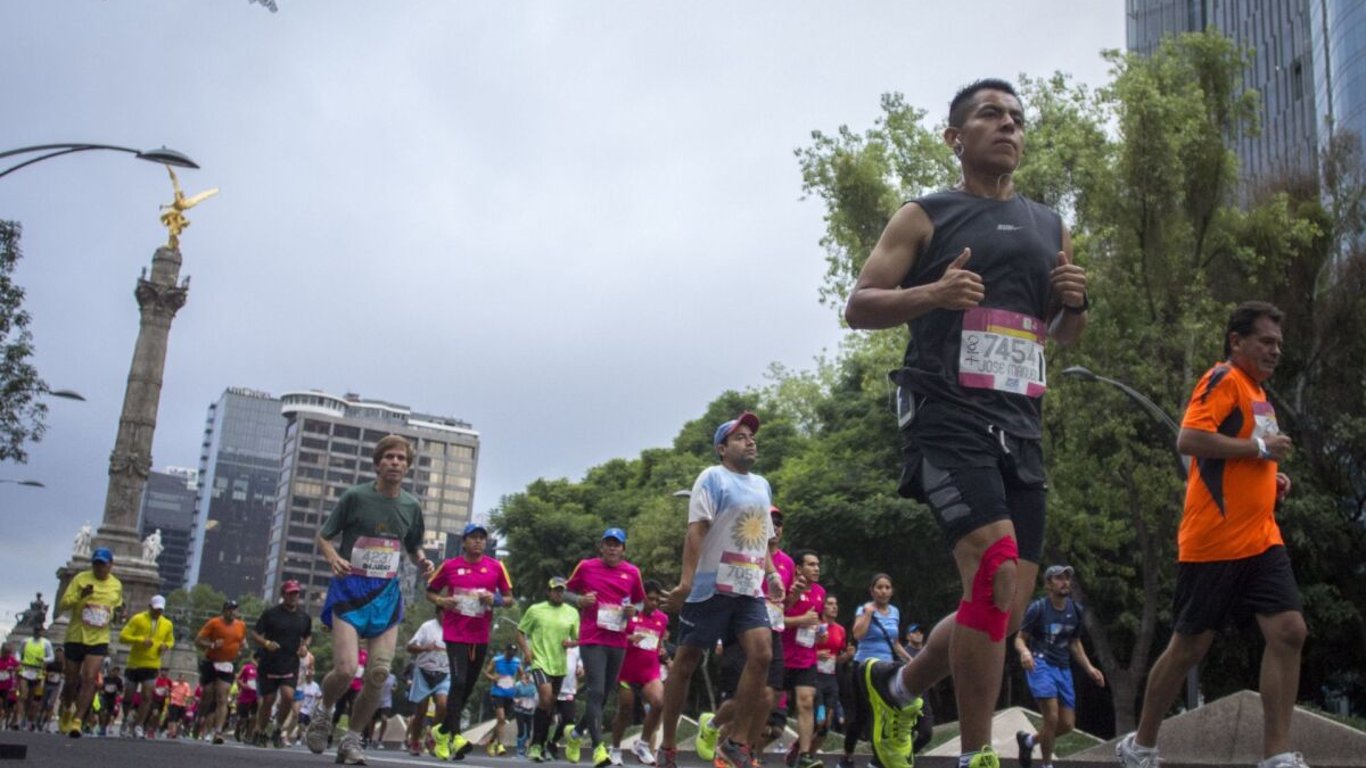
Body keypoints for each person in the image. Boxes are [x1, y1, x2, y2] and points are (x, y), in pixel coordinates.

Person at [844, 77, 1089, 768]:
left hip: (1021, 426)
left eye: (1016, 117)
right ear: (956, 138)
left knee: (1003, 611)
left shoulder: (1050, 225)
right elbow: (860, 304)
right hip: (946, 414)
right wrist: (936, 293)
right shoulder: (925, 215)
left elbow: (1062, 335)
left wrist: (1076, 303)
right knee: (995, 573)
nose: (1008, 125)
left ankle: (895, 685)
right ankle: (977, 754)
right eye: (990, 115)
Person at [1118, 302, 1308, 768]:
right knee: (1189, 647)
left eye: (1279, 344)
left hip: (1262, 538)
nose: (1275, 351)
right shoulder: (1222, 379)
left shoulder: (1258, 393)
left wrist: (1270, 477)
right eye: (1265, 341)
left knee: (1289, 631)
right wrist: (1259, 448)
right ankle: (1140, 746)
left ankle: (1277, 755)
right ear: (1236, 341)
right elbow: (1189, 439)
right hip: (1215, 541)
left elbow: (1243, 458)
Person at [659, 412, 785, 768]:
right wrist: (686, 583)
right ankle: (667, 745)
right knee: (685, 662)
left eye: (752, 436)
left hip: (747, 588)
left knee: (761, 655)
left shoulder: (762, 484)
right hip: (710, 587)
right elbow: (695, 531)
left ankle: (737, 742)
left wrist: (772, 574)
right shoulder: (712, 478)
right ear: (722, 448)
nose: (750, 441)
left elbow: (762, 537)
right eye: (740, 437)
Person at [304, 434, 435, 766]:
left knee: (378, 673)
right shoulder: (355, 497)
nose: (395, 462)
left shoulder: (410, 505)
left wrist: (422, 560)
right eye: (388, 457)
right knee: (347, 670)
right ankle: (324, 710)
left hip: (386, 596)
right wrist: (333, 557)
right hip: (350, 591)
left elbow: (413, 544)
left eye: (401, 458)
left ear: (407, 466)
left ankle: (352, 739)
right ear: (378, 464)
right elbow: (324, 536)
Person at [424, 520, 513, 760]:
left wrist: (492, 599)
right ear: (463, 542)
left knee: (467, 688)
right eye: (473, 537)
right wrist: (442, 602)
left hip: (480, 635)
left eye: (482, 538)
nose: (477, 541)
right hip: (455, 634)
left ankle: (441, 732)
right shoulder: (450, 565)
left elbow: (509, 599)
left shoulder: (496, 567)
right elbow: (430, 591)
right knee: (459, 681)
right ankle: (456, 735)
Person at [564, 527, 648, 768]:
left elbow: (640, 602)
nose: (612, 548)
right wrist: (579, 600)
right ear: (601, 547)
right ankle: (599, 748)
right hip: (592, 638)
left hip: (618, 640)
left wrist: (635, 610)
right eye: (608, 543)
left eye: (617, 544)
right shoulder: (586, 566)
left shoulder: (632, 572)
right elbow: (566, 591)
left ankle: (575, 734)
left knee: (602, 694)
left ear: (623, 549)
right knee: (596, 692)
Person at [1014, 565, 1104, 768]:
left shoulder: (1076, 611)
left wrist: (1089, 668)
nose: (1065, 582)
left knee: (1067, 725)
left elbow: (1074, 642)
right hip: (1040, 665)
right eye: (1058, 578)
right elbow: (1020, 639)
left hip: (1063, 668)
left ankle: (1029, 741)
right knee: (1052, 718)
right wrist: (1025, 652)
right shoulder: (1038, 609)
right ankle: (1047, 765)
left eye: (1067, 578)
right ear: (1048, 584)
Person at [840, 574, 910, 768]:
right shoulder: (864, 609)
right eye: (879, 587)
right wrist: (868, 614)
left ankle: (880, 758)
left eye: (887, 587)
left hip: (887, 668)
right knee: (862, 714)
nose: (884, 591)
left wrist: (911, 660)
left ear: (892, 591)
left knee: (886, 713)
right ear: (872, 591)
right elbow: (857, 635)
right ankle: (847, 755)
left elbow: (895, 642)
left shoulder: (895, 611)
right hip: (864, 667)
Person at [58, 546, 124, 737]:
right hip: (76, 635)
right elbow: (63, 604)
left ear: (110, 565)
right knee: (71, 681)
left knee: (89, 679)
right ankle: (67, 708)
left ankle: (78, 720)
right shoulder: (80, 579)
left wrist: (118, 613)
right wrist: (81, 595)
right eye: (96, 564)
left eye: (102, 564)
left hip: (99, 638)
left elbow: (117, 607)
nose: (98, 568)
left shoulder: (116, 585)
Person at [519, 576, 581, 764]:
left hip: (559, 665)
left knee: (549, 706)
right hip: (540, 662)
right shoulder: (535, 610)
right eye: (555, 590)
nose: (559, 593)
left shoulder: (572, 613)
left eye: (562, 590)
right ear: (548, 591)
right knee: (545, 698)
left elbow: (578, 638)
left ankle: (541, 743)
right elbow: (521, 631)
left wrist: (571, 643)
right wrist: (527, 650)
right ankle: (536, 744)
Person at [611, 579, 670, 766]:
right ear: (642, 599)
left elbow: (657, 642)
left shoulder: (663, 619)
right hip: (626, 672)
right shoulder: (628, 615)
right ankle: (615, 748)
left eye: (657, 601)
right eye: (650, 599)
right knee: (625, 710)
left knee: (659, 703)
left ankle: (643, 744)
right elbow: (613, 638)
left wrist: (661, 651)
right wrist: (630, 638)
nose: (654, 603)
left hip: (649, 672)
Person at [252, 579, 313, 747]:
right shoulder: (271, 613)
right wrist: (266, 643)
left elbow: (308, 635)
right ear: (283, 595)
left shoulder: (303, 617)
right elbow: (255, 634)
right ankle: (261, 731)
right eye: (290, 593)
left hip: (290, 663)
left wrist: (304, 646)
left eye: (296, 593)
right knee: (269, 700)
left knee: (288, 696)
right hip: (270, 663)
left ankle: (278, 730)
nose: (293, 596)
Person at [781, 550, 827, 768]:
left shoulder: (820, 592)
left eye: (817, 564)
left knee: (806, 701)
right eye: (811, 564)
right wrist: (801, 619)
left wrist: (818, 632)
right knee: (769, 705)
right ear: (798, 569)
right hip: (782, 656)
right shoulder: (789, 588)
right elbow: (777, 618)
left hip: (807, 657)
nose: (816, 568)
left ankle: (804, 755)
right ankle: (749, 749)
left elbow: (814, 621)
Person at [119, 593, 176, 738]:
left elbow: (170, 640)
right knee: (129, 696)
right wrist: (139, 640)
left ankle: (138, 725)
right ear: (149, 607)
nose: (158, 612)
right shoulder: (138, 619)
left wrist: (165, 645)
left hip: (152, 664)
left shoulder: (167, 624)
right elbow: (123, 636)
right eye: (155, 609)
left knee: (147, 696)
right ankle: (126, 720)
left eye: (160, 610)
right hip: (134, 663)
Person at [196, 599, 247, 744]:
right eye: (229, 609)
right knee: (208, 695)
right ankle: (201, 720)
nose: (232, 612)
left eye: (234, 609)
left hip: (227, 664)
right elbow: (198, 640)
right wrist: (212, 644)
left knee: (222, 698)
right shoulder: (214, 623)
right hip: (211, 662)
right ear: (224, 611)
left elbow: (242, 642)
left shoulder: (241, 625)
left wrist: (240, 650)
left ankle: (217, 731)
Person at [404, 606, 449, 757]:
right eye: (444, 611)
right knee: (421, 711)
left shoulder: (454, 629)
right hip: (424, 673)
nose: (446, 615)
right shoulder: (427, 627)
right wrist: (424, 648)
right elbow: (409, 647)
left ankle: (431, 736)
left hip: (443, 674)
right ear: (437, 613)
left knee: (443, 705)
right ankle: (415, 741)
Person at [814, 595, 848, 741]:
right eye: (830, 604)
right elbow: (803, 650)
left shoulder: (841, 630)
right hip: (814, 676)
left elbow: (838, 658)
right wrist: (816, 655)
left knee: (827, 723)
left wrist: (847, 656)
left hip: (831, 677)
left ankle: (803, 751)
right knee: (819, 718)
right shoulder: (816, 626)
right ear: (823, 606)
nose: (834, 607)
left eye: (836, 604)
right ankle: (801, 751)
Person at [484, 643, 522, 756]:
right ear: (505, 651)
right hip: (497, 692)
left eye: (513, 653)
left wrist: (517, 684)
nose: (511, 655)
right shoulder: (497, 660)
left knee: (502, 721)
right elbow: (486, 672)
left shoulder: (517, 662)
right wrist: (493, 678)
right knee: (501, 718)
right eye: (509, 653)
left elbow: (523, 674)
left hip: (509, 694)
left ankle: (491, 742)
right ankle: (500, 745)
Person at [16, 625, 54, 731]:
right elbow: (18, 652)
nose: (38, 632)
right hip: (25, 670)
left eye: (40, 630)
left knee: (33, 700)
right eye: (36, 630)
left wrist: (43, 659)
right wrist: (19, 661)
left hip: (37, 672)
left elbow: (51, 657)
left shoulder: (46, 643)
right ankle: (18, 720)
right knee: (23, 696)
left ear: (42, 631)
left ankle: (29, 720)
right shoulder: (25, 641)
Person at [96, 664, 123, 736]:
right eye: (114, 671)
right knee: (102, 712)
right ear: (111, 671)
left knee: (109, 713)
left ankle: (104, 726)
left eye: (117, 671)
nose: (116, 673)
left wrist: (118, 692)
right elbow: (100, 687)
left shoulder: (118, 680)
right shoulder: (105, 679)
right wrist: (101, 691)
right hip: (104, 697)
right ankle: (101, 727)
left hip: (112, 698)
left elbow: (121, 690)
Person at [166, 674, 192, 739]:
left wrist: (186, 699)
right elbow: (170, 691)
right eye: (181, 678)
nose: (182, 679)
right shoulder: (174, 684)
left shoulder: (186, 685)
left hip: (182, 704)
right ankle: (172, 732)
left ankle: (175, 732)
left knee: (179, 719)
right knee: (173, 718)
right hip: (174, 703)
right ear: (178, 678)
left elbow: (188, 693)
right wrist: (172, 695)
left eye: (183, 678)